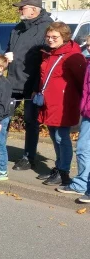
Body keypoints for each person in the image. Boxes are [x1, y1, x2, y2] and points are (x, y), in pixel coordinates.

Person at [35, 22, 87, 186]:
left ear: (64, 37)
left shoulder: (72, 56)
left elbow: (83, 82)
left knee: (60, 137)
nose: (50, 40)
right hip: (49, 103)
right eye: (48, 36)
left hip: (64, 104)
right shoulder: (51, 53)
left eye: (54, 37)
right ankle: (59, 167)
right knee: (53, 135)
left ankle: (64, 172)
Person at [6, 0, 53, 172]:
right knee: (2, 117)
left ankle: (28, 157)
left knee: (31, 121)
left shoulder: (45, 28)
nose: (19, 11)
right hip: (12, 81)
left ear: (33, 10)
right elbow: (9, 50)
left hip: (32, 84)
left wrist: (36, 87)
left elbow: (44, 60)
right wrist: (6, 57)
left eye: (22, 8)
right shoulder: (17, 28)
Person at [60, 54, 90, 203]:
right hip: (87, 113)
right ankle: (81, 183)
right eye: (88, 44)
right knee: (83, 149)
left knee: (84, 149)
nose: (89, 48)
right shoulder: (88, 63)